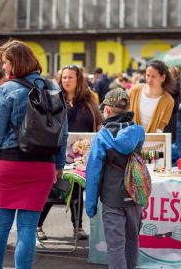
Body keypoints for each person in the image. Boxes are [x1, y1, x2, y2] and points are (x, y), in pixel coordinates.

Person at [0, 40, 67, 269]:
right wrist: (59, 164)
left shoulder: (7, 89)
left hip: (9, 164)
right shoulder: (54, 89)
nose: (4, 68)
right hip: (42, 166)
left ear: (16, 63)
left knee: (0, 224)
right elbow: (63, 134)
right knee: (28, 227)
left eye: (6, 62)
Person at [37, 64, 102, 241]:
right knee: (54, 189)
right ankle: (38, 225)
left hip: (82, 157)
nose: (66, 80)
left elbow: (98, 123)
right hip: (57, 154)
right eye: (64, 77)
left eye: (70, 77)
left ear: (78, 79)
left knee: (76, 190)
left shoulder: (88, 100)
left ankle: (78, 227)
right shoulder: (54, 98)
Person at [85, 88, 145, 269]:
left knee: (115, 245)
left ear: (108, 111)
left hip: (112, 198)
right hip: (134, 195)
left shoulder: (102, 136)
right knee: (132, 241)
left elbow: (93, 173)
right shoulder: (138, 131)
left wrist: (91, 206)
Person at [128, 60, 175, 133]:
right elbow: (123, 113)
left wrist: (150, 141)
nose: (149, 80)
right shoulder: (134, 91)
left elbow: (160, 127)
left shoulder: (169, 101)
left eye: (153, 76)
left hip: (152, 142)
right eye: (148, 75)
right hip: (130, 140)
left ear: (163, 78)